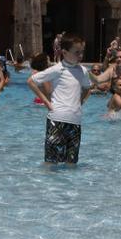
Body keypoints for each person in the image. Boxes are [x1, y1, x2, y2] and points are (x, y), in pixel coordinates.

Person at [27, 33, 92, 165]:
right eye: (77, 52)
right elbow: (31, 81)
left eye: (82, 52)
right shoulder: (57, 69)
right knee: (51, 162)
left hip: (75, 121)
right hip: (56, 120)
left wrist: (80, 102)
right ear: (64, 52)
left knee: (71, 162)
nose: (80, 56)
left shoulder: (83, 71)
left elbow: (87, 88)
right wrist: (46, 102)